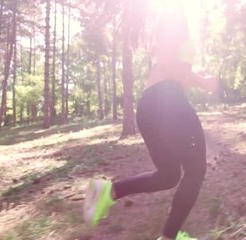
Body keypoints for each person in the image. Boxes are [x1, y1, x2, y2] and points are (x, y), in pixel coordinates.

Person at [83, 9, 219, 240]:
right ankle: (169, 236)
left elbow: (174, 67)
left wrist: (196, 79)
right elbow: (169, 64)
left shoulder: (168, 31)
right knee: (195, 170)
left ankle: (110, 191)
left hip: (149, 108)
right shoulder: (175, 21)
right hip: (167, 104)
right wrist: (204, 82)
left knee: (169, 175)